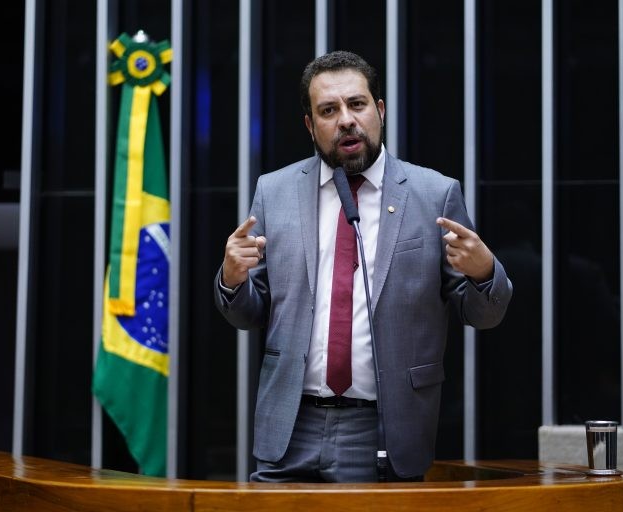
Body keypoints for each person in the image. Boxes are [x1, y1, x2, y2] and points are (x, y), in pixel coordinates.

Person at [214, 50, 512, 483]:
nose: (346, 120)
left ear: (380, 110)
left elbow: (483, 315)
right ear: (310, 125)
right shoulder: (274, 191)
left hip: (381, 426)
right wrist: (232, 279)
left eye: (357, 104)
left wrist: (485, 273)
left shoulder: (434, 194)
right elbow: (249, 313)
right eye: (329, 110)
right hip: (288, 423)